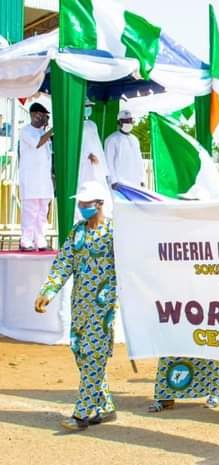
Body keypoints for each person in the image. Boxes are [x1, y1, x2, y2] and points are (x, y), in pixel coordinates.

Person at [34, 181, 117, 431]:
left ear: (100, 204)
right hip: (80, 305)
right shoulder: (77, 232)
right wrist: (47, 291)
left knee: (94, 354)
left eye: (86, 203)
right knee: (81, 352)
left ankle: (82, 413)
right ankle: (106, 405)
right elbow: (63, 264)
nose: (82, 207)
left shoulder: (115, 233)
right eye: (80, 203)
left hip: (104, 308)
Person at [19, 102, 53, 251]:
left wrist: (48, 130)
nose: (44, 118)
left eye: (46, 116)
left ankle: (40, 240)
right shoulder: (26, 131)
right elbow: (38, 144)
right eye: (42, 115)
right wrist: (52, 129)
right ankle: (26, 241)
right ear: (34, 115)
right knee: (30, 211)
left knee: (42, 212)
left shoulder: (43, 133)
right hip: (31, 181)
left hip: (44, 182)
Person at [77, 99, 112, 220]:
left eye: (89, 106)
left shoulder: (92, 124)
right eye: (86, 106)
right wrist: (88, 155)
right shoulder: (76, 124)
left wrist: (103, 167)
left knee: (99, 190)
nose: (88, 108)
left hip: (97, 165)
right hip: (84, 164)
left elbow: (97, 145)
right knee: (84, 190)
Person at [105, 109, 145, 188]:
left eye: (130, 121)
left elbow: (139, 160)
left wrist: (142, 179)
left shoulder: (135, 139)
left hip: (135, 183)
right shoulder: (111, 139)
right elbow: (108, 161)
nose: (128, 123)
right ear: (119, 123)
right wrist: (113, 181)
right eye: (125, 121)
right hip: (119, 184)